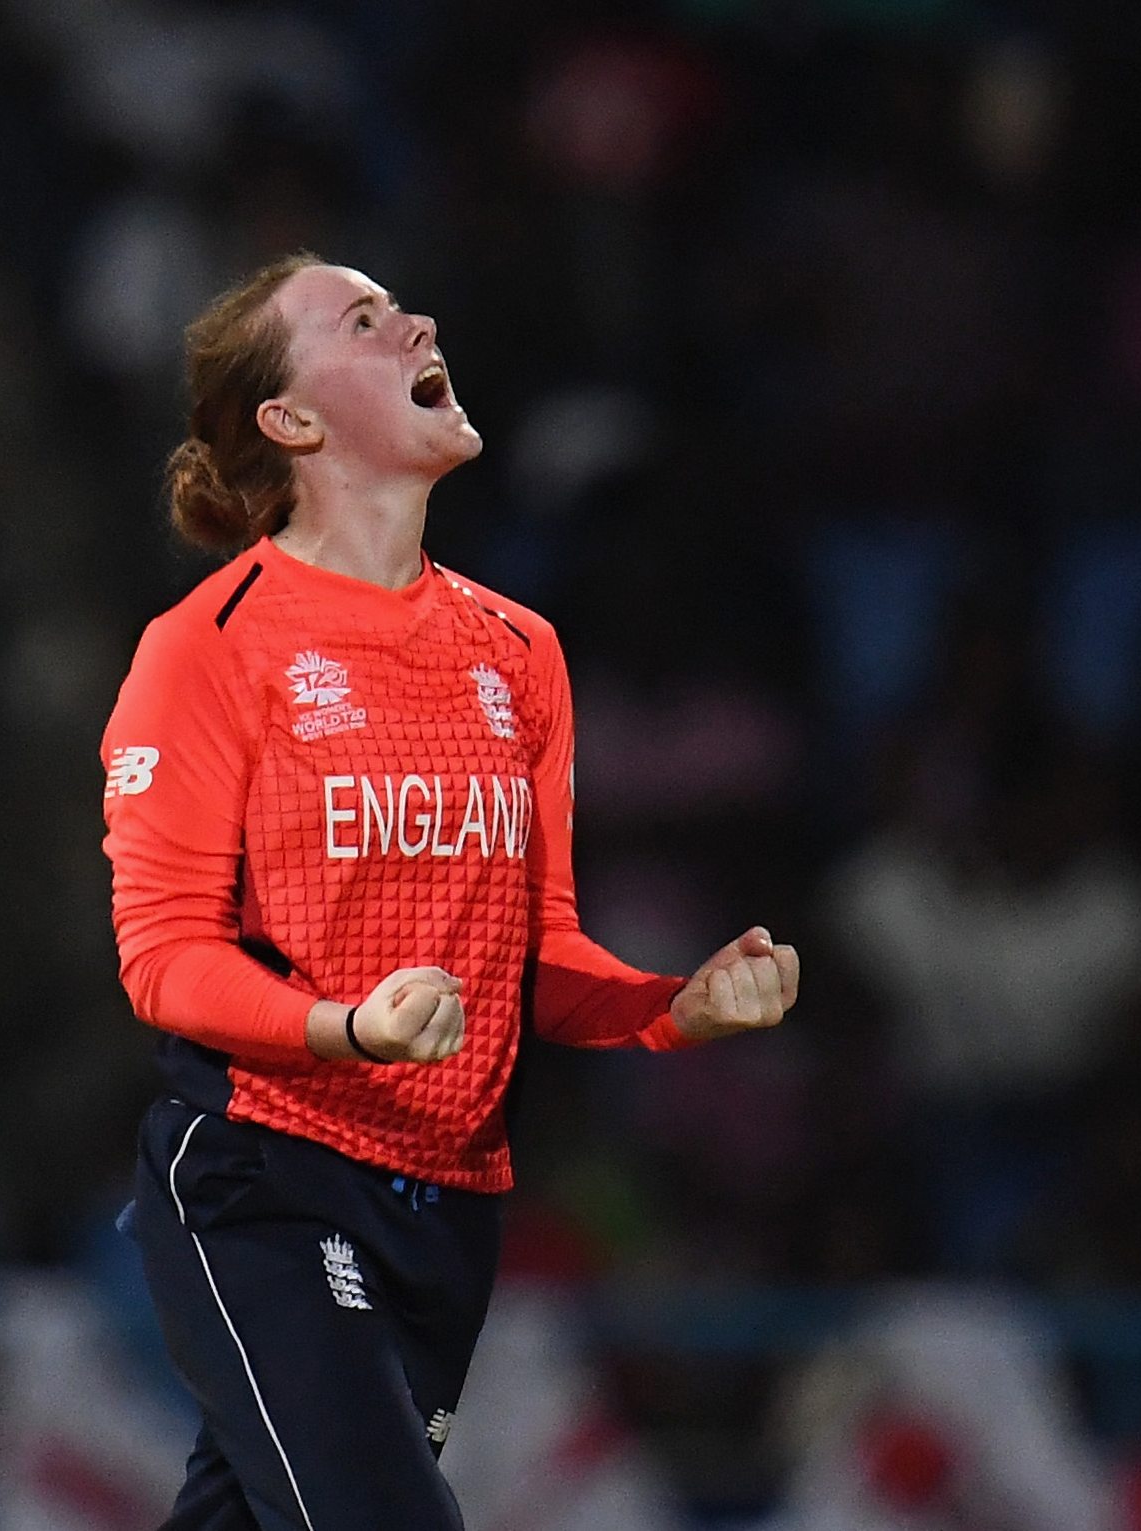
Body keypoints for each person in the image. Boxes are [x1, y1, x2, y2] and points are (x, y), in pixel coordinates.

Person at [98, 254, 800, 1531]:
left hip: (448, 1206)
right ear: (290, 419)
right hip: (268, 1176)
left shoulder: (520, 651)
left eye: (402, 309)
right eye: (363, 322)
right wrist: (343, 1026)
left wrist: (673, 1006)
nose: (417, 321)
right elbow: (163, 959)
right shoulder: (207, 647)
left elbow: (539, 952)